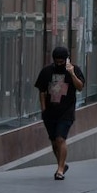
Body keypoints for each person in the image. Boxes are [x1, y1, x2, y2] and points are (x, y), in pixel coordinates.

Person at [35, 46, 84, 180]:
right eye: (57, 61)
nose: (59, 64)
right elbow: (42, 91)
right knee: (54, 141)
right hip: (50, 112)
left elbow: (80, 87)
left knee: (60, 138)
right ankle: (62, 164)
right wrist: (43, 109)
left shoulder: (74, 70)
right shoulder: (47, 71)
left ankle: (60, 170)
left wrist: (72, 73)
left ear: (67, 59)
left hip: (66, 112)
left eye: (62, 61)